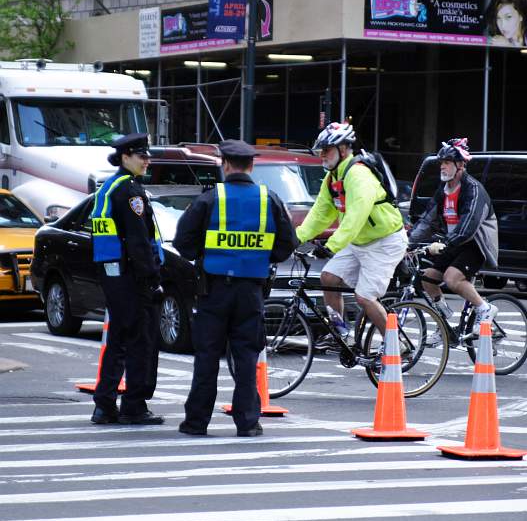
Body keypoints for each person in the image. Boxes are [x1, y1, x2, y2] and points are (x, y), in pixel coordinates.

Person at [173, 139, 297, 437]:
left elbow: (182, 244)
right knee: (246, 357)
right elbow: (286, 245)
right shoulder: (270, 199)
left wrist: (206, 255)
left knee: (207, 356)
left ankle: (196, 422)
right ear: (252, 166)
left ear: (224, 164)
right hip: (251, 292)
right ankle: (248, 422)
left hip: (213, 290)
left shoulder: (209, 199)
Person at [296, 121, 407, 344]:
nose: (322, 155)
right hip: (359, 242)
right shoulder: (332, 178)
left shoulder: (358, 175)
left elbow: (356, 215)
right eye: (321, 151)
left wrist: (331, 246)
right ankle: (340, 333)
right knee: (329, 277)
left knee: (365, 297)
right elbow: (320, 213)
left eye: (326, 150)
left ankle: (397, 345)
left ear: (344, 149)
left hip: (385, 242)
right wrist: (295, 238)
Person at [90, 133, 165, 425]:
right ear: (125, 157)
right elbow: (138, 241)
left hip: (114, 274)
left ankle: (105, 404)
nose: (147, 160)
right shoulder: (130, 192)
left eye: (147, 155)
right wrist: (152, 277)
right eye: (141, 155)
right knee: (139, 341)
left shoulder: (109, 187)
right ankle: (133, 405)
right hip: (132, 277)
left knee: (119, 339)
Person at [408, 137, 499, 336]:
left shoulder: (473, 189)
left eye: (447, 162)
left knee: (452, 278)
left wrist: (445, 243)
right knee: (428, 279)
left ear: (460, 165)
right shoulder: (444, 190)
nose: (442, 166)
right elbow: (427, 221)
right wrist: (407, 242)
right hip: (455, 243)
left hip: (477, 244)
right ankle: (444, 322)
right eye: (442, 162)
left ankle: (485, 308)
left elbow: (469, 225)